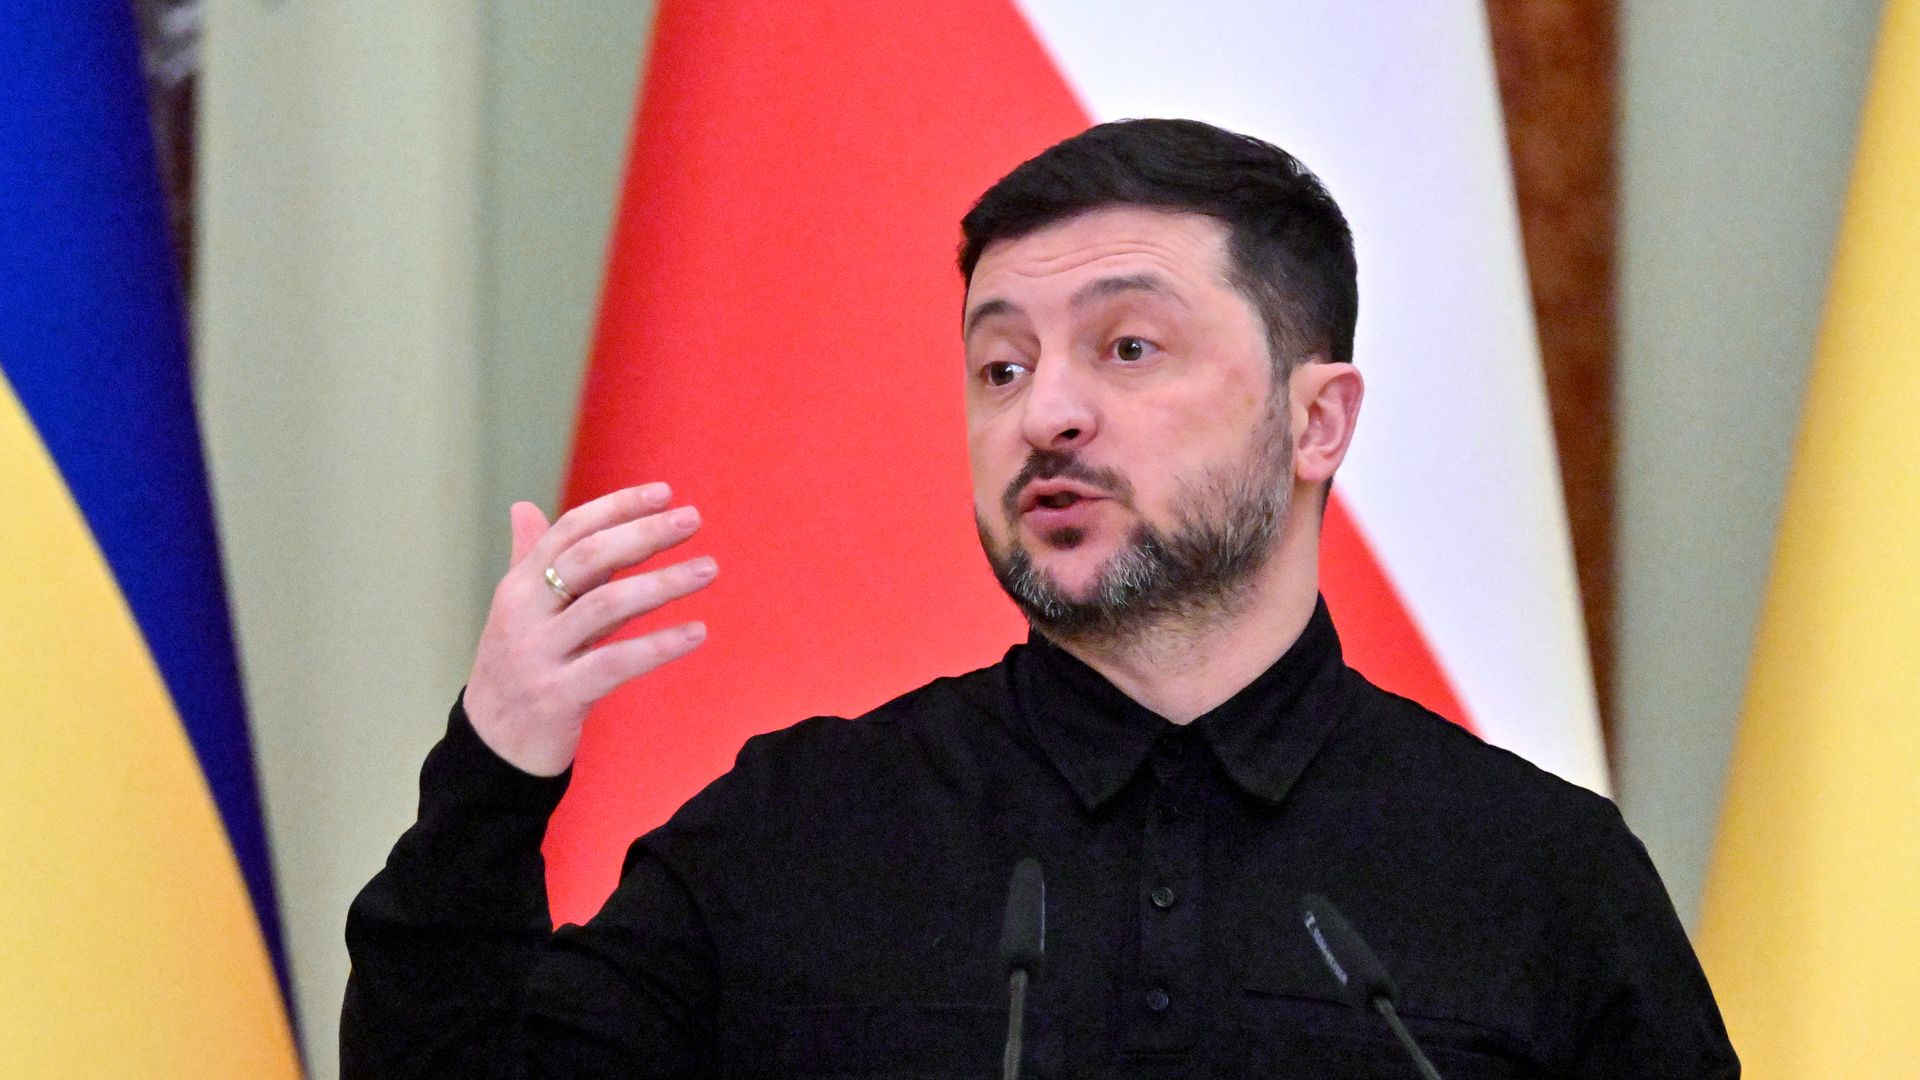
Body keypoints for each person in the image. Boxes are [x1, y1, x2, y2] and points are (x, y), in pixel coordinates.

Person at [342, 119, 1738, 1078]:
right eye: (1000, 368)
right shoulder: (797, 838)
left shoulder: (1535, 877)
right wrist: (497, 762)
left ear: (1319, 424)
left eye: (1127, 348)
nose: (1047, 415)